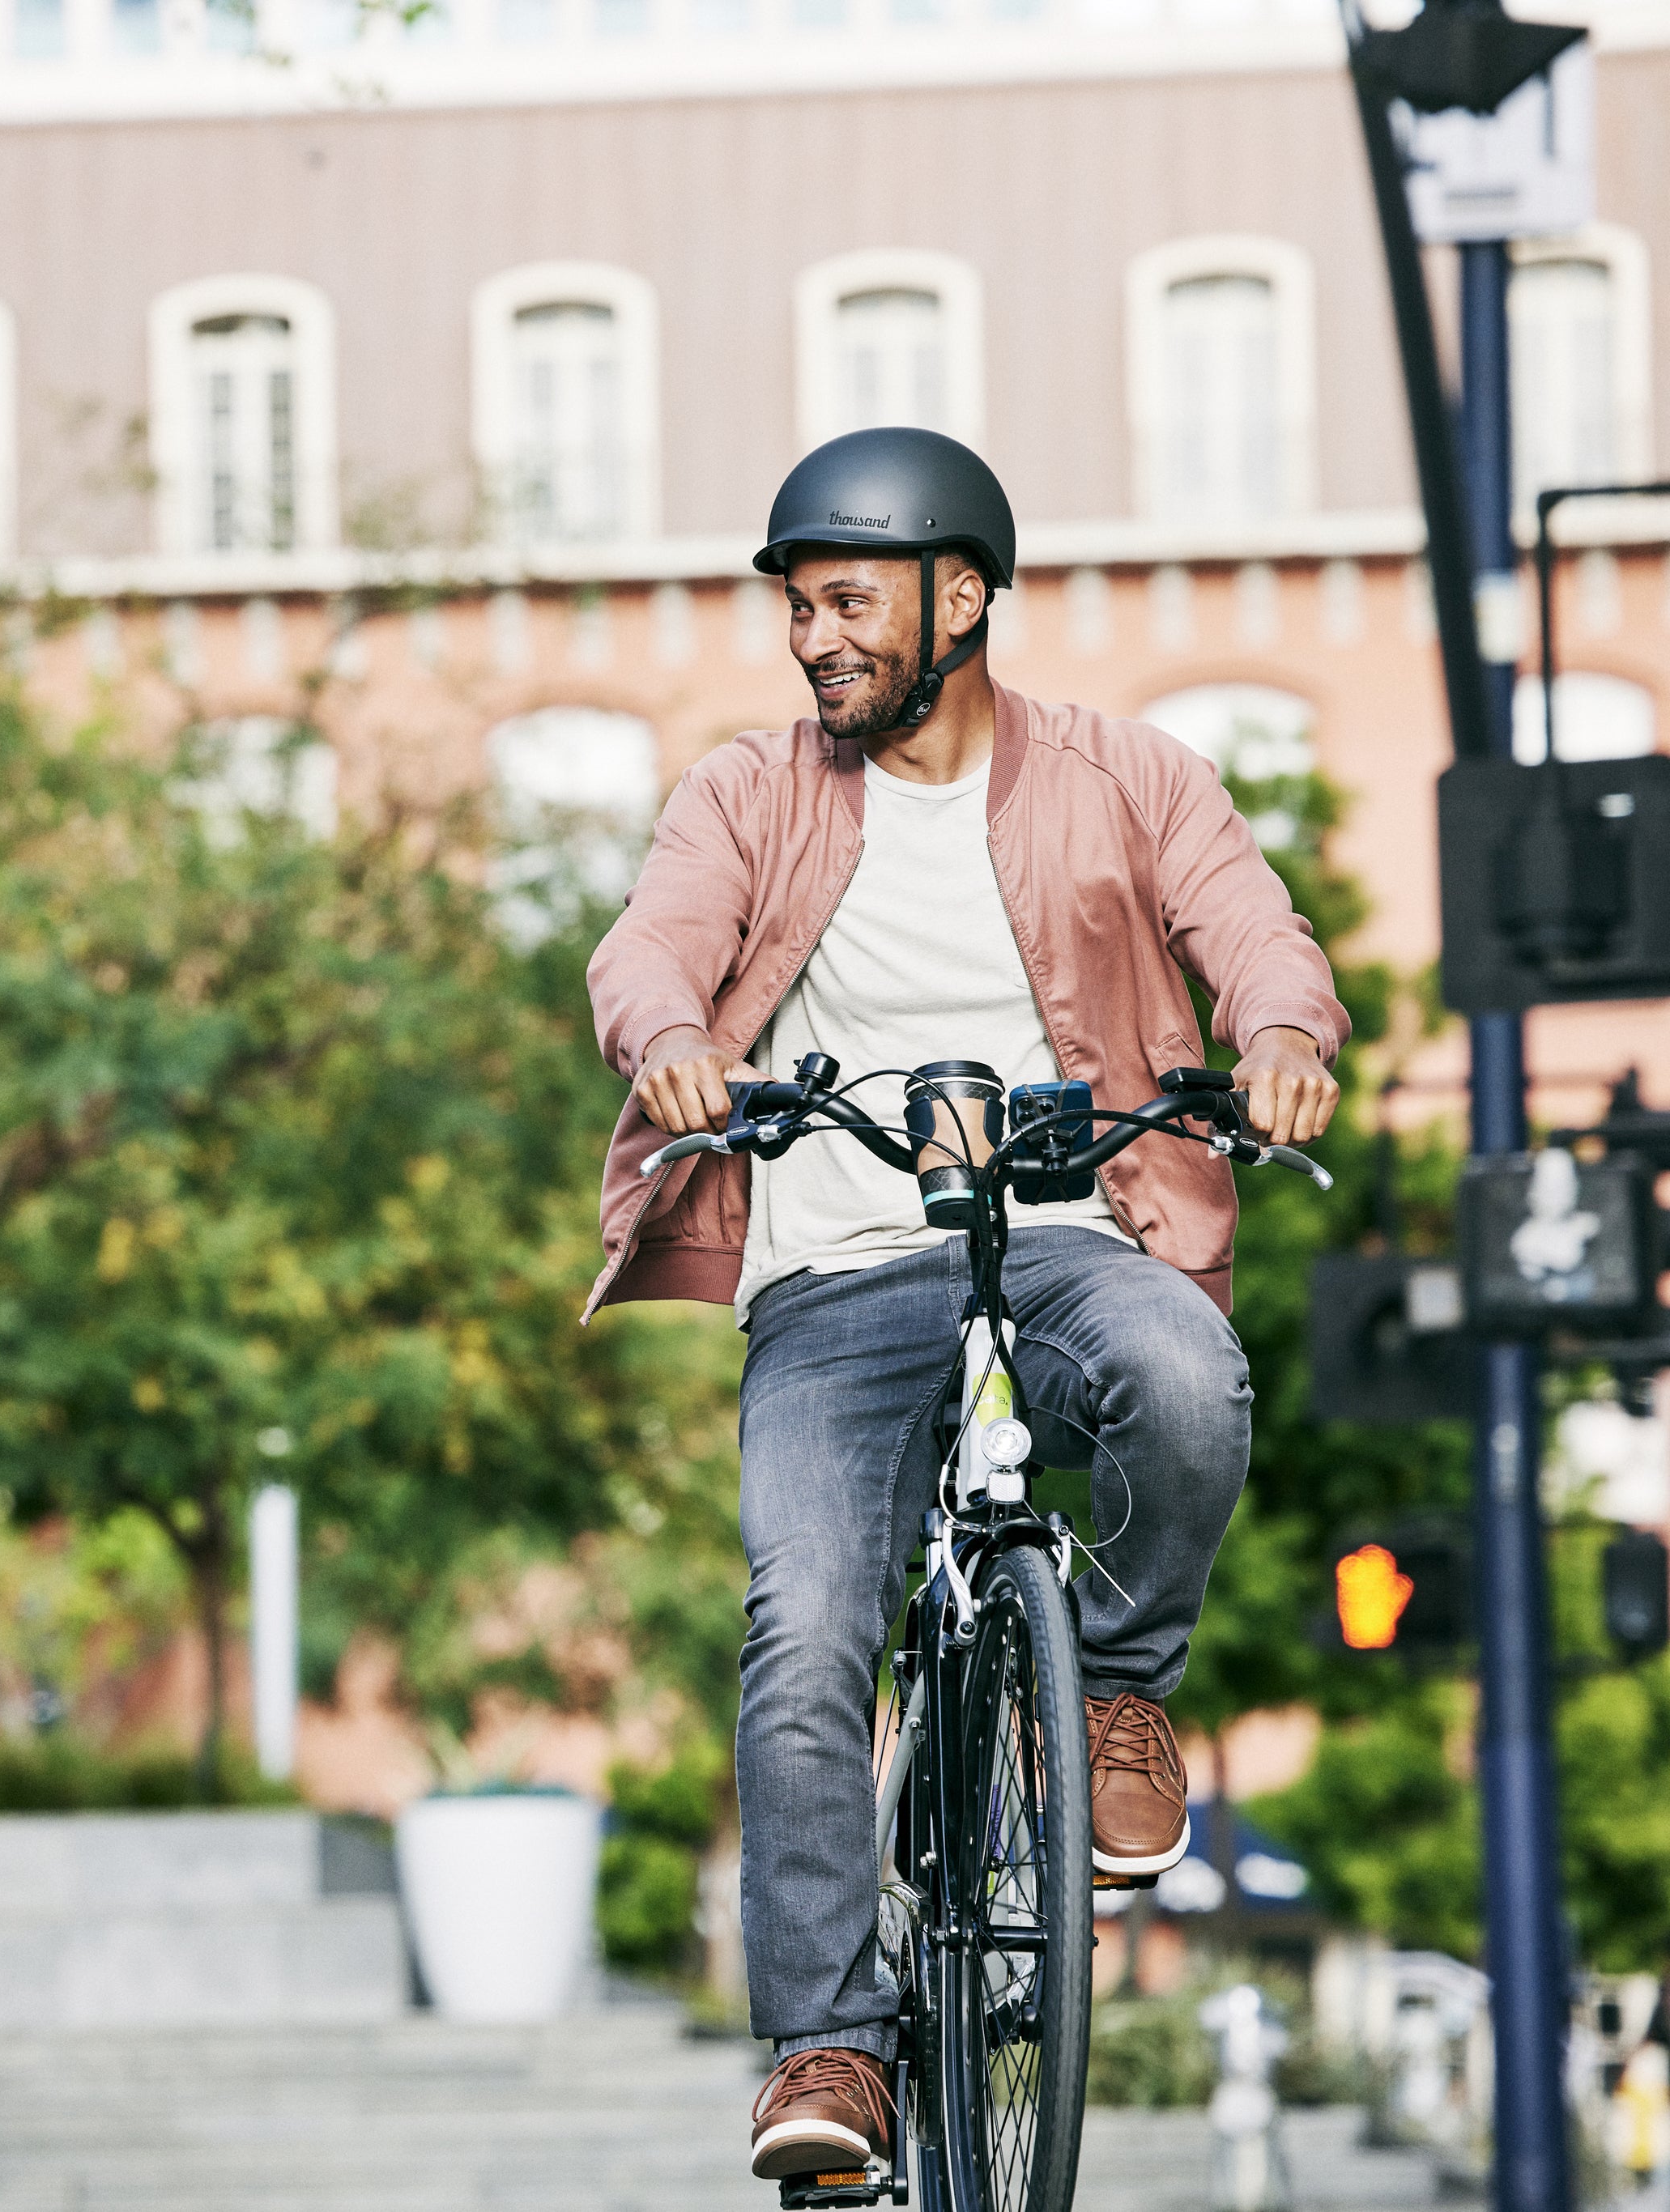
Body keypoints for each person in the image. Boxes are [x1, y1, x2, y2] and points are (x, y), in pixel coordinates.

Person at [583, 430, 1348, 2184]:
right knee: (801, 1643)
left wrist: (1283, 1034)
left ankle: (1120, 1690)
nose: (811, 637)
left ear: (961, 596)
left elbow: (1251, 924)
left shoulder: (1125, 773)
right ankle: (829, 2051)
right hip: (835, 1281)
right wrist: (676, 1037)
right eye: (796, 605)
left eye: (845, 599)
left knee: (1186, 1379)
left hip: (1070, 1237)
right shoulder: (743, 792)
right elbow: (647, 944)